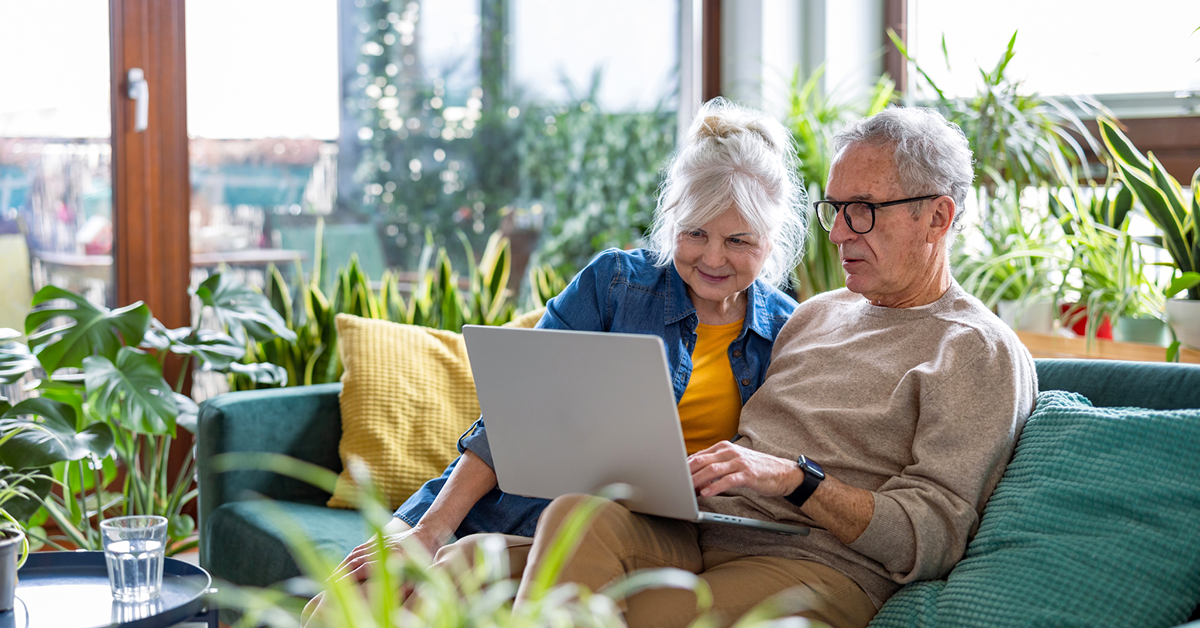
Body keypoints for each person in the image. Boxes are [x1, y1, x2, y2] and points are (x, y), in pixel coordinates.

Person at [502, 106, 1039, 628]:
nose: (837, 233)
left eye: (864, 210)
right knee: (571, 519)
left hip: (820, 566)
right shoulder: (814, 315)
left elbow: (933, 536)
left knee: (614, 613)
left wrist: (796, 480)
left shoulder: (976, 349)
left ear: (937, 217)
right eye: (835, 208)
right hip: (704, 532)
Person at [309, 97, 809, 617]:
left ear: (772, 241)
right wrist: (432, 527)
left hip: (644, 534)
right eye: (694, 233)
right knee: (332, 611)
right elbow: (512, 416)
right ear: (671, 222)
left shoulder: (788, 332)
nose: (711, 257)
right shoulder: (615, 284)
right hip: (516, 501)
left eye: (737, 240)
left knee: (423, 599)